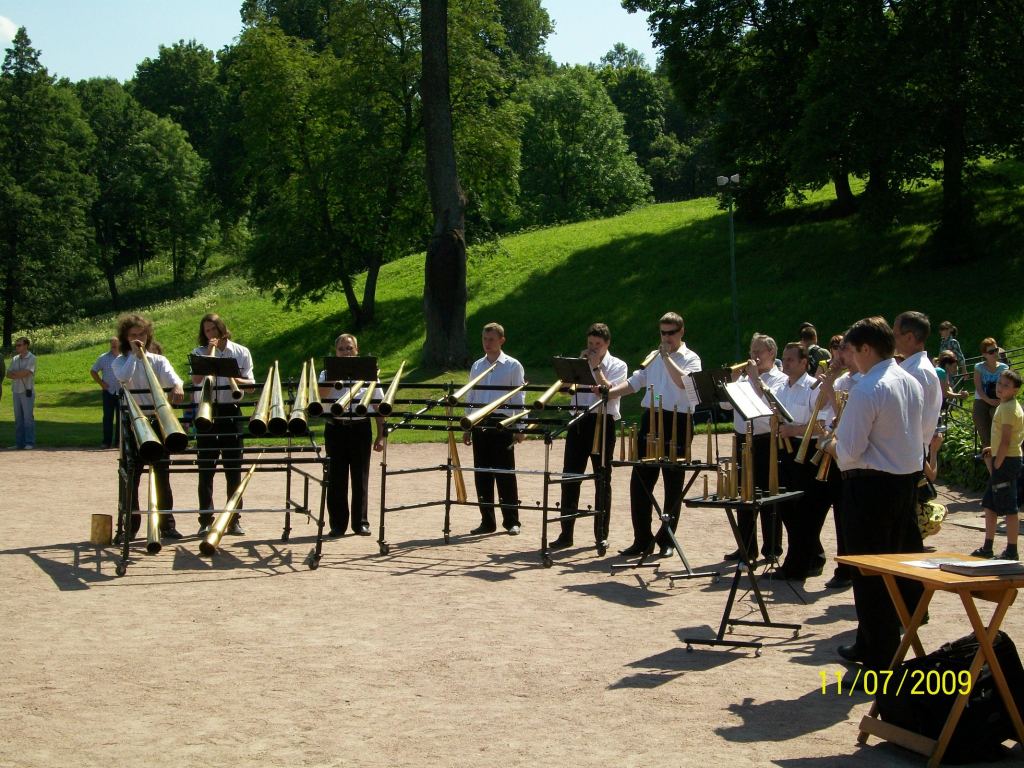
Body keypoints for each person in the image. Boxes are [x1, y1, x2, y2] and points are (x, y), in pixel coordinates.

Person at [829, 317, 925, 676]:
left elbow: (850, 450)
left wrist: (829, 443)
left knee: (869, 577)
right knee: (890, 570)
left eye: (852, 351)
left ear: (866, 349)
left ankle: (878, 663)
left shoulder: (868, 388)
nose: (850, 358)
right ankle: (870, 644)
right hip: (901, 484)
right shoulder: (909, 380)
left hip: (869, 488)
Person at [604, 312, 701, 558]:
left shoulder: (691, 358)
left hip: (678, 420)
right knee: (640, 481)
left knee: (673, 482)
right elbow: (636, 382)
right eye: (662, 333)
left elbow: (683, 383)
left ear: (681, 332)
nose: (666, 337)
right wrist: (610, 392)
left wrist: (667, 357)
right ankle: (642, 539)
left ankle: (667, 539)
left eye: (670, 333)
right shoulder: (654, 357)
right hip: (651, 418)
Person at [549, 323, 628, 551]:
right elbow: (564, 390)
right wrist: (574, 369)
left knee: (602, 479)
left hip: (603, 422)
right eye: (590, 344)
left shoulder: (618, 365)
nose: (593, 348)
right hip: (578, 422)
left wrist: (595, 368)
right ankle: (566, 534)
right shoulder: (580, 362)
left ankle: (600, 534)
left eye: (598, 345)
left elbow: (609, 391)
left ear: (607, 344)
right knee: (570, 477)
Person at [113, 314, 185, 541]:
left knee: (162, 475)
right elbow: (123, 379)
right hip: (133, 423)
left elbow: (175, 380)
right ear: (126, 337)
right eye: (133, 335)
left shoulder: (158, 360)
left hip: (157, 422)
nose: (138, 339)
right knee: (132, 476)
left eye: (142, 334)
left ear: (148, 334)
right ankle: (130, 527)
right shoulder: (120, 361)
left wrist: (178, 387)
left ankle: (167, 526)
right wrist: (135, 356)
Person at [721, 333, 786, 562]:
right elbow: (724, 404)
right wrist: (731, 380)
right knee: (743, 494)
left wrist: (755, 378)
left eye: (758, 351)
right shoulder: (743, 378)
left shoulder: (779, 378)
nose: (754, 356)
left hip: (765, 438)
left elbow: (768, 405)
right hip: (742, 438)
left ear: (771, 353)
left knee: (767, 494)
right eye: (752, 352)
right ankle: (746, 547)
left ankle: (772, 548)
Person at [191, 314, 255, 536]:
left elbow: (251, 385)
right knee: (206, 468)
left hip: (230, 412)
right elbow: (196, 381)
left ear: (222, 328)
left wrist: (233, 378)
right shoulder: (198, 353)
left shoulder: (240, 352)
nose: (212, 334)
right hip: (206, 413)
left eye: (214, 329)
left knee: (233, 469)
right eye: (207, 331)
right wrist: (209, 356)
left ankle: (233, 519)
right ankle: (205, 520)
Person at [318, 333, 385, 537]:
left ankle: (360, 523)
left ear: (357, 350)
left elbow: (378, 405)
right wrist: (336, 375)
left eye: (350, 348)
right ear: (335, 352)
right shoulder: (326, 373)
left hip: (360, 428)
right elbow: (321, 396)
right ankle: (338, 524)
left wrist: (381, 434)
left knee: (360, 476)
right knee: (336, 478)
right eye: (342, 349)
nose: (346, 352)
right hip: (336, 428)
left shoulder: (368, 373)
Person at [463, 322, 526, 535]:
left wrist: (520, 426)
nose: (487, 343)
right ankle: (487, 521)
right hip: (480, 422)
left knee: (505, 473)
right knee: (482, 473)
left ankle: (511, 520)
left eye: (491, 339)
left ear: (501, 340)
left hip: (502, 423)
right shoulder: (477, 366)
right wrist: (467, 423)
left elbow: (519, 397)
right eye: (484, 339)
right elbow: (470, 396)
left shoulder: (512, 365)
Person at [776, 342, 830, 580]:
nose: (785, 363)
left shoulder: (812, 388)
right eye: (784, 359)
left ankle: (797, 564)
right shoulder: (781, 387)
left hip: (807, 451)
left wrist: (793, 429)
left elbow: (823, 426)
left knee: (804, 510)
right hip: (787, 452)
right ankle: (813, 555)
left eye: (790, 360)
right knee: (785, 507)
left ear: (803, 363)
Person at [970, 370, 1024, 561]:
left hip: (1007, 460)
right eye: (1000, 383)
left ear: (1015, 390)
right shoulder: (1004, 405)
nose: (1000, 388)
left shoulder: (1009, 408)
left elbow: (1008, 440)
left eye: (1006, 385)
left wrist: (997, 462)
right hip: (1003, 457)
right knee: (990, 505)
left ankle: (1011, 550)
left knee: (1009, 507)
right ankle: (988, 546)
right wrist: (992, 449)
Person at [894, 311, 943, 450]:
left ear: (909, 337)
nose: (893, 340)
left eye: (895, 335)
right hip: (909, 453)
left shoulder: (918, 373)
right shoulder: (916, 369)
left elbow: (909, 422)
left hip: (907, 454)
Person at [973, 337, 1009, 450]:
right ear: (984, 354)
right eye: (991, 352)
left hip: (999, 399)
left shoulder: (1004, 368)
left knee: (1001, 420)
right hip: (982, 398)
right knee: (979, 417)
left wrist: (1000, 400)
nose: (995, 353)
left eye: (996, 350)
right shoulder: (979, 367)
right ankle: (987, 447)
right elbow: (978, 388)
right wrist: (988, 400)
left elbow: (1007, 387)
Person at [91, 337, 122, 449]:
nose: (113, 345)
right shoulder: (103, 358)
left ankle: (119, 442)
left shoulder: (125, 357)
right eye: (112, 343)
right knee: (107, 418)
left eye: (116, 343)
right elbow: (93, 371)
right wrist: (101, 383)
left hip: (121, 392)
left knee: (121, 418)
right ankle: (106, 442)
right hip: (108, 392)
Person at [7, 337, 37, 450]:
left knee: (28, 418)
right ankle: (19, 443)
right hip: (16, 391)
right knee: (18, 419)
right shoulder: (15, 358)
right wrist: (18, 374)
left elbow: (26, 373)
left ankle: (29, 442)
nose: (17, 347)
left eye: (19, 345)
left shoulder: (32, 358)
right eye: (16, 345)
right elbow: (8, 374)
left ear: (26, 346)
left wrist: (16, 374)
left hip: (26, 392)